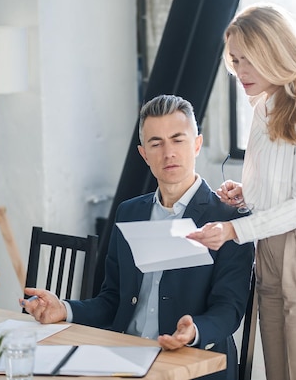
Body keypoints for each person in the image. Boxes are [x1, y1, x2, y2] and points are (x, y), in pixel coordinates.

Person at [21, 94, 255, 380]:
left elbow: (228, 309)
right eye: (156, 143)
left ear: (196, 145)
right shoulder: (129, 212)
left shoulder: (229, 219)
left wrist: (194, 331)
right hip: (122, 356)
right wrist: (64, 309)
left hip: (192, 364)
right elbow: (111, 300)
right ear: (144, 154)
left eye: (178, 139)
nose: (168, 152)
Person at [186, 3, 296, 380]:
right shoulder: (264, 106)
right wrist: (249, 194)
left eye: (248, 60)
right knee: (278, 373)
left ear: (276, 52)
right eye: (234, 61)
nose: (240, 72)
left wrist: (233, 230)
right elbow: (287, 185)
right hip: (270, 249)